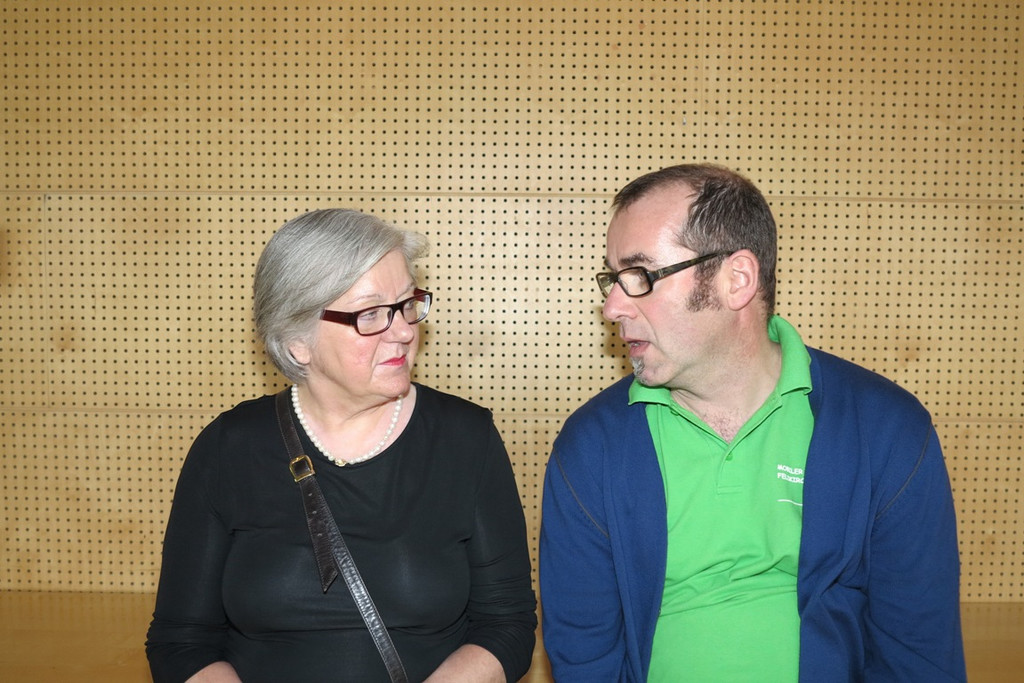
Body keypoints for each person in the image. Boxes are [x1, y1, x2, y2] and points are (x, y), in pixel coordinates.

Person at [539, 164, 965, 682]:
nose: (611, 307)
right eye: (613, 279)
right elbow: (584, 654)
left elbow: (918, 653)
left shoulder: (885, 431)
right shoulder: (592, 447)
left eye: (641, 276)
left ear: (736, 279)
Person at [147, 208, 537, 683]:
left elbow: (506, 626)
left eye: (407, 304)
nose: (403, 330)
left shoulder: (465, 439)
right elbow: (181, 641)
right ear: (298, 342)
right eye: (370, 314)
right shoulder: (228, 449)